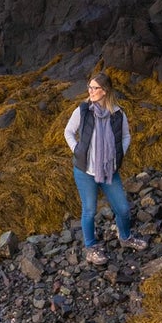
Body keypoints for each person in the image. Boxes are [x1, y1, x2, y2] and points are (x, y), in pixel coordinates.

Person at [63, 71, 147, 265]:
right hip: (85, 171)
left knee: (123, 209)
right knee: (89, 210)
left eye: (95, 88)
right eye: (89, 87)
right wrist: (77, 150)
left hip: (109, 170)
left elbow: (126, 136)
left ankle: (125, 238)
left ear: (105, 91)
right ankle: (91, 248)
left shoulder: (118, 114)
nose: (91, 91)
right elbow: (68, 132)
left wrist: (119, 154)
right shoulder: (83, 110)